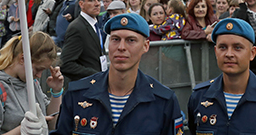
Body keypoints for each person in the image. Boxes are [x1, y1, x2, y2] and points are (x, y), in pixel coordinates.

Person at [52, 13, 184, 134]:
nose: (121, 47)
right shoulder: (78, 94)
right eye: (115, 39)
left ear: (146, 46)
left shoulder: (163, 101)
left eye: (131, 40)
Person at [187, 18, 256, 135]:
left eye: (237, 48)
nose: (229, 54)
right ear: (216, 52)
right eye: (223, 47)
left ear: (252, 53)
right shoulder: (199, 98)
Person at [0, 31, 62, 135]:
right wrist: (21, 130)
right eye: (37, 69)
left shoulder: (31, 83)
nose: (40, 75)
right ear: (23, 59)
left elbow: (52, 124)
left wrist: (56, 91)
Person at [60, 0, 104, 82]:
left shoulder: (95, 24)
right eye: (91, 0)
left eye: (99, 0)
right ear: (81, 4)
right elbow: (66, 64)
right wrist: (94, 75)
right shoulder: (77, 28)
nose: (97, 4)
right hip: (86, 86)